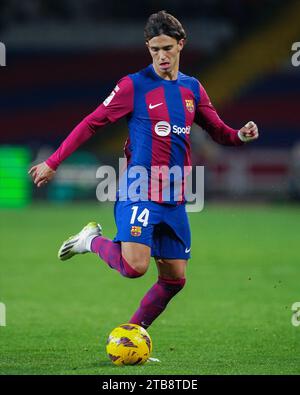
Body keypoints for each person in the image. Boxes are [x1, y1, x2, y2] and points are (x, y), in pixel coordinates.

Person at [29, 11, 259, 330]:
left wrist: (240, 135)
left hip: (176, 196)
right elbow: (92, 122)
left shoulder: (193, 89)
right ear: (148, 48)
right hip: (140, 190)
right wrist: (53, 161)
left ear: (181, 45)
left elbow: (219, 131)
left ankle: (132, 336)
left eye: (167, 48)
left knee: (174, 279)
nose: (161, 56)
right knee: (134, 267)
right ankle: (90, 241)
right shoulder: (132, 86)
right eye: (154, 49)